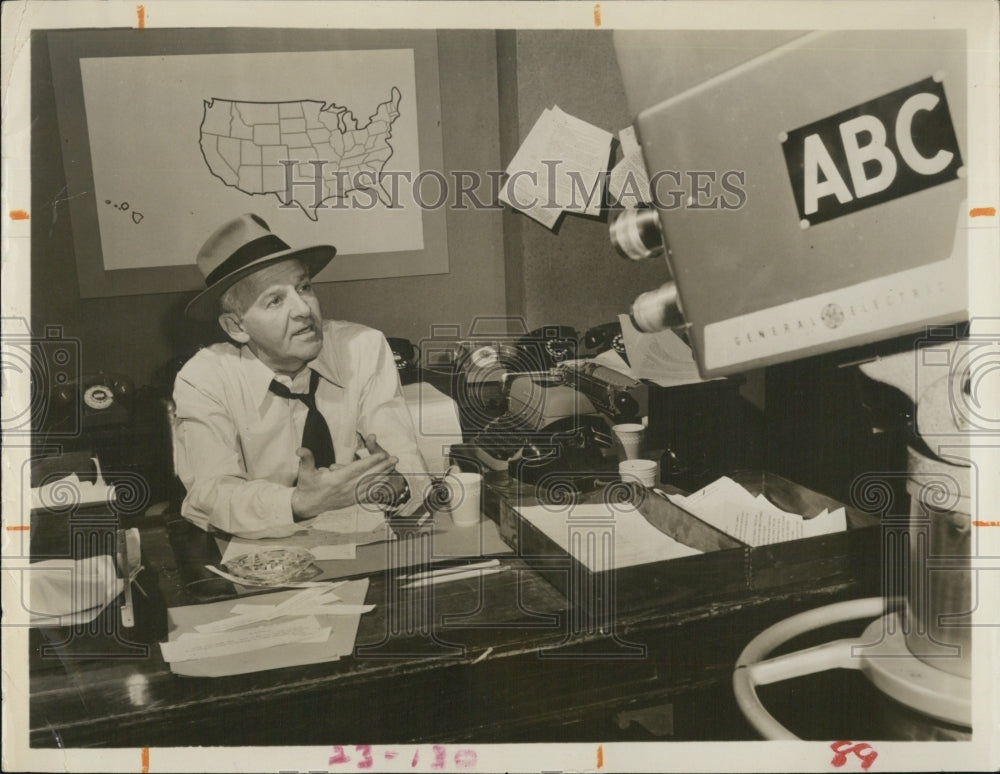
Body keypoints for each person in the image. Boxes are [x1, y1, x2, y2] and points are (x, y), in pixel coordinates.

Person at [172, 213, 428, 538]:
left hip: (363, 539)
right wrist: (300, 502)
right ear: (236, 327)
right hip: (260, 551)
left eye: (303, 287)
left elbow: (404, 458)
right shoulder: (204, 377)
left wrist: (396, 482)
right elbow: (209, 495)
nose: (304, 309)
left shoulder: (362, 348)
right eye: (275, 300)